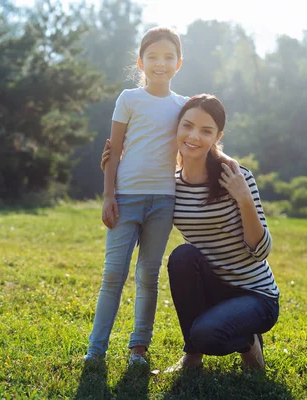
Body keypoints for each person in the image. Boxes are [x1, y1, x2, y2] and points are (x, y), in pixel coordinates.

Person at [85, 26, 236, 366]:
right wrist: (108, 195)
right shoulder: (128, 99)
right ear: (140, 62)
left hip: (164, 201)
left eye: (168, 57)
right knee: (113, 275)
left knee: (148, 275)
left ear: (179, 63)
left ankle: (138, 348)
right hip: (125, 198)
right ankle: (96, 349)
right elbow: (113, 151)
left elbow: (199, 143)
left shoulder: (183, 107)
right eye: (152, 57)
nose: (160, 63)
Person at [101, 94, 280, 371]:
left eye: (206, 130)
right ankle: (192, 358)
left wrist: (244, 199)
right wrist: (116, 170)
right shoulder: (172, 186)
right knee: (182, 257)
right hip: (213, 288)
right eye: (187, 126)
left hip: (255, 295)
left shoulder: (235, 177)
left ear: (217, 136)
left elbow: (261, 251)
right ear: (176, 129)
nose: (194, 136)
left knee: (207, 335)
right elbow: (143, 192)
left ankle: (248, 343)